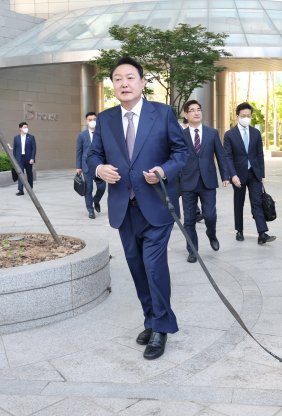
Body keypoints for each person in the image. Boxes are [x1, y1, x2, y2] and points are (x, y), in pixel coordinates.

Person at [87, 56, 188, 360]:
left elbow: (181, 152)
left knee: (154, 266)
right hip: (123, 207)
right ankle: (151, 320)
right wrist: (99, 169)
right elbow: (93, 155)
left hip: (156, 204)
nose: (124, 83)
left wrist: (163, 170)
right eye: (118, 79)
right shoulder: (105, 119)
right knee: (137, 267)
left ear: (143, 82)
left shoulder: (163, 113)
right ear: (113, 85)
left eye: (130, 77)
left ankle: (161, 327)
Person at [180, 99, 230, 263]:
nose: (196, 112)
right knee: (189, 220)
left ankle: (211, 233)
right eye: (192, 110)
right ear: (186, 114)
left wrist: (225, 175)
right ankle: (192, 250)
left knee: (210, 215)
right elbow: (176, 158)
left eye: (198, 109)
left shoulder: (212, 133)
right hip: (188, 182)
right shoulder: (181, 136)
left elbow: (220, 155)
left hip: (208, 181)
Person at [223, 102, 276, 245]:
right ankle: (239, 230)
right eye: (243, 116)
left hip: (254, 174)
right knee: (238, 203)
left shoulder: (256, 133)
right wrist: (232, 175)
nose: (246, 118)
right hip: (238, 175)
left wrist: (261, 175)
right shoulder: (229, 135)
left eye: (248, 116)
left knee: (257, 202)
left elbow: (259, 155)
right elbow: (227, 157)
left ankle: (262, 233)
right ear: (237, 116)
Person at [76, 111, 106, 219]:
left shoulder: (102, 133)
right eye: (90, 120)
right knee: (88, 189)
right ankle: (90, 210)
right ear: (86, 121)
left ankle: (96, 200)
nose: (92, 121)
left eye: (94, 119)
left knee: (102, 187)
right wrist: (78, 166)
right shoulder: (82, 135)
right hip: (86, 167)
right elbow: (79, 151)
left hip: (99, 166)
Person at [12, 121, 36, 196]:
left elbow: (34, 149)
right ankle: (20, 190)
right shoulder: (16, 138)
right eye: (25, 127)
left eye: (27, 127)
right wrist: (14, 160)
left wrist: (32, 158)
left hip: (28, 159)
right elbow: (15, 149)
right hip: (20, 159)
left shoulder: (31, 137)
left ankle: (30, 188)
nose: (26, 128)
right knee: (20, 174)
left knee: (29, 174)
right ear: (20, 128)